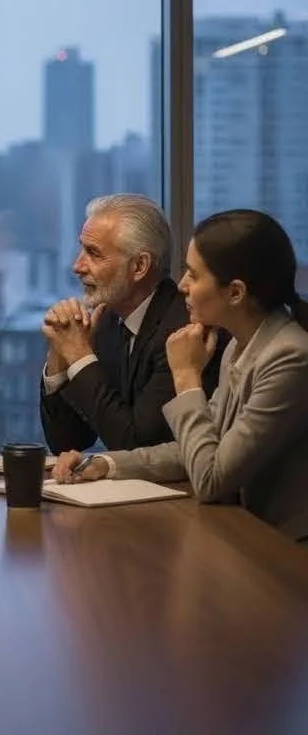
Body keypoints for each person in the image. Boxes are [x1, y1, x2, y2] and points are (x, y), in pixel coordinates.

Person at [53, 210, 308, 541]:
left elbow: (211, 478)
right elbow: (195, 449)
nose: (182, 285)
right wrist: (105, 464)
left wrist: (187, 377)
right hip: (247, 536)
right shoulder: (240, 347)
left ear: (235, 293)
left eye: (193, 274)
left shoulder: (289, 356)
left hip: (285, 552)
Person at [40, 194, 222, 453]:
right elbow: (68, 443)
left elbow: (136, 444)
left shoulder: (184, 330)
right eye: (81, 249)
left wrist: (79, 355)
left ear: (139, 266)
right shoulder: (107, 320)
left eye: (93, 253)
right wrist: (60, 357)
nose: (77, 266)